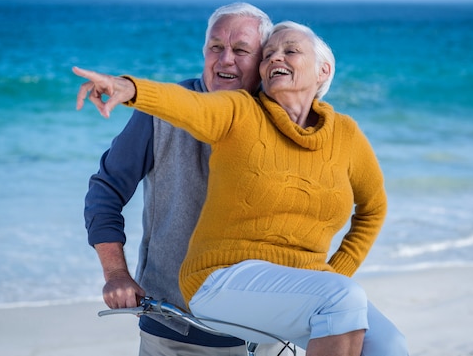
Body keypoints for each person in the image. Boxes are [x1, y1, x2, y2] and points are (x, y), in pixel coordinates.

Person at [75, 21, 408, 356]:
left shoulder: (344, 133)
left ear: (324, 71)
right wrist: (130, 88)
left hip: (276, 318)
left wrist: (335, 272)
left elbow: (373, 208)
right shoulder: (238, 111)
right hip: (185, 315)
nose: (226, 60)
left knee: (388, 343)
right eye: (215, 48)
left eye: (287, 51)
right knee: (343, 295)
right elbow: (184, 104)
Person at [83, 2, 299, 356]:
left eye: (241, 50)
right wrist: (115, 274)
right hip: (176, 332)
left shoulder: (284, 119)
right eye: (216, 47)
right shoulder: (161, 114)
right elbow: (105, 189)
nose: (225, 59)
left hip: (269, 334)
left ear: (263, 61)